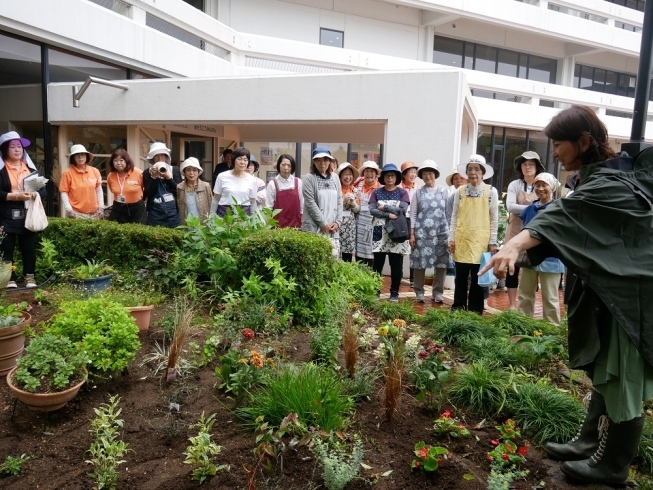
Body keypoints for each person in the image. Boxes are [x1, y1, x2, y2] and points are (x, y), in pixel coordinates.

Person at [480, 105, 651, 486]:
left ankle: (613, 465)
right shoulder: (598, 178)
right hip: (612, 295)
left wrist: (514, 245)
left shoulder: (611, 184)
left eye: (558, 144)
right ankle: (590, 440)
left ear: (584, 142)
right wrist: (520, 251)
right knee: (607, 370)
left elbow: (564, 214)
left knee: (622, 377)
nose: (553, 152)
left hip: (631, 300)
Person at [448, 155, 498, 314]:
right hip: (462, 239)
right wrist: (451, 238)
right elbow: (454, 216)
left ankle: (476, 311)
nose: (473, 172)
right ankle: (458, 308)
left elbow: (494, 218)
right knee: (460, 277)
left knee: (478, 278)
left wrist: (493, 241)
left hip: (481, 241)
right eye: (470, 169)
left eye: (477, 169)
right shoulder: (460, 192)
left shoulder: (491, 192)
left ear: (482, 173)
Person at [0, 131, 46, 289]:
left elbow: (43, 192)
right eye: (12, 146)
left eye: (19, 146)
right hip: (5, 214)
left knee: (28, 248)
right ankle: (9, 279)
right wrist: (14, 196)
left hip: (27, 214)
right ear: (5, 150)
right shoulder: (1, 169)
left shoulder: (29, 168)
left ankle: (29, 278)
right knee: (7, 248)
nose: (17, 149)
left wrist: (34, 193)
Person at [517, 172, 564, 325]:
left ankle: (551, 330)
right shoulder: (530, 209)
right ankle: (523, 326)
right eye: (537, 185)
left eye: (545, 185)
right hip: (530, 257)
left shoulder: (558, 208)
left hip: (552, 259)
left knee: (550, 297)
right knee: (525, 294)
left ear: (552, 187)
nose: (541, 188)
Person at [504, 151, 545, 309]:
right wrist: (534, 207)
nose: (527, 167)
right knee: (512, 266)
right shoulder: (515, 184)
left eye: (531, 164)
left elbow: (548, 205)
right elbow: (510, 206)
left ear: (537, 167)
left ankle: (528, 302)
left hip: (535, 231)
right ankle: (512, 304)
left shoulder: (542, 184)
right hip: (515, 229)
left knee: (532, 265)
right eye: (524, 164)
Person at [409, 160, 449, 304]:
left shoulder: (445, 191)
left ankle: (438, 292)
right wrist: (412, 234)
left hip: (441, 233)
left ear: (435, 174)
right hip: (422, 233)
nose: (427, 176)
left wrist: (451, 234)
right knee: (420, 263)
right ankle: (419, 292)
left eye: (430, 173)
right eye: (425, 173)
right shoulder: (418, 193)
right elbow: (413, 214)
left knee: (441, 263)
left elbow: (449, 213)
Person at [370, 163, 411, 302]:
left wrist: (384, 207)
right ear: (383, 177)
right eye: (387, 175)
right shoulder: (376, 192)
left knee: (396, 264)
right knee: (377, 263)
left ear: (397, 177)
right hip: (379, 230)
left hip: (398, 231)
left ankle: (394, 292)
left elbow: (402, 210)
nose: (390, 177)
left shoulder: (402, 192)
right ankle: (375, 290)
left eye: (392, 175)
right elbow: (372, 210)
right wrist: (388, 214)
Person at [301, 146, 342, 258]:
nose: (322, 163)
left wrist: (338, 222)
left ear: (329, 161)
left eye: (325, 159)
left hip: (332, 229)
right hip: (315, 227)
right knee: (315, 260)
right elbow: (310, 203)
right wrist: (323, 223)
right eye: (318, 160)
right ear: (314, 162)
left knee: (333, 261)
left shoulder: (335, 178)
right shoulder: (309, 178)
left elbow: (339, 200)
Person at [142, 142, 182, 227]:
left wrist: (168, 178)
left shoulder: (174, 170)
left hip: (172, 211)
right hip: (155, 212)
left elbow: (179, 190)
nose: (160, 158)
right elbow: (149, 193)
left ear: (166, 156)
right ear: (153, 158)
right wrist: (153, 177)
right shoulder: (147, 172)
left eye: (162, 155)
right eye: (156, 155)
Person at [60, 144, 104, 220]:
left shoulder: (95, 171)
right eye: (76, 155)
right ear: (73, 158)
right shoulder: (67, 173)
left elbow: (99, 190)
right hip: (76, 213)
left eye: (82, 154)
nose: (80, 157)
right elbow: (64, 192)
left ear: (86, 156)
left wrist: (101, 207)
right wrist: (69, 210)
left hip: (94, 213)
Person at [211, 146, 257, 217]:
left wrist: (254, 219)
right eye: (239, 159)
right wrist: (211, 217)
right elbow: (216, 199)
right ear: (233, 160)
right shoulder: (222, 176)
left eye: (245, 160)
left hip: (243, 216)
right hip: (225, 215)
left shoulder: (252, 180)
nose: (242, 162)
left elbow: (253, 202)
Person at [106, 148, 146, 224]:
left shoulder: (138, 172)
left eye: (121, 160)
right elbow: (112, 189)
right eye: (115, 160)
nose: (118, 163)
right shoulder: (110, 176)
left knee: (137, 232)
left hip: (137, 208)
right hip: (118, 208)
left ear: (127, 161)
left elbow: (146, 188)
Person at [266, 154, 302, 228]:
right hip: (278, 224)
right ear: (279, 165)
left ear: (292, 167)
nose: (286, 168)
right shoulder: (272, 184)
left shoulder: (298, 182)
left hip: (296, 223)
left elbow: (302, 204)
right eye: (283, 165)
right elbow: (268, 207)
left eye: (289, 165)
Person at [355, 161, 380, 267]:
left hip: (374, 224)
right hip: (359, 223)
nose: (369, 174)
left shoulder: (380, 188)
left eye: (372, 171)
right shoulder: (357, 185)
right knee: (358, 254)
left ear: (376, 174)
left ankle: (371, 278)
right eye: (367, 171)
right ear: (363, 173)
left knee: (372, 252)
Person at [400, 161, 420, 287]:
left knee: (414, 249)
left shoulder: (418, 189)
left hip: (414, 221)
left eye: (414, 172)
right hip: (402, 220)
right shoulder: (399, 188)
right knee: (401, 249)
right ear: (404, 175)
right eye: (410, 172)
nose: (413, 174)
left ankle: (413, 278)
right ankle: (400, 275)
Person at [177, 157, 212, 225]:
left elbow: (211, 204)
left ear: (198, 172)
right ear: (184, 171)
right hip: (186, 223)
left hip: (203, 223)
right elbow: (179, 206)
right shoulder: (179, 187)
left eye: (194, 170)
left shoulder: (206, 186)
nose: (191, 173)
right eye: (188, 170)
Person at [337, 162, 360, 262]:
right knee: (335, 253)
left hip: (350, 227)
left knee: (347, 257)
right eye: (345, 174)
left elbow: (357, 210)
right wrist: (343, 201)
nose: (347, 177)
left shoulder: (355, 191)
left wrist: (353, 204)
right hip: (336, 225)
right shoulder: (336, 189)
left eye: (350, 174)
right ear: (340, 176)